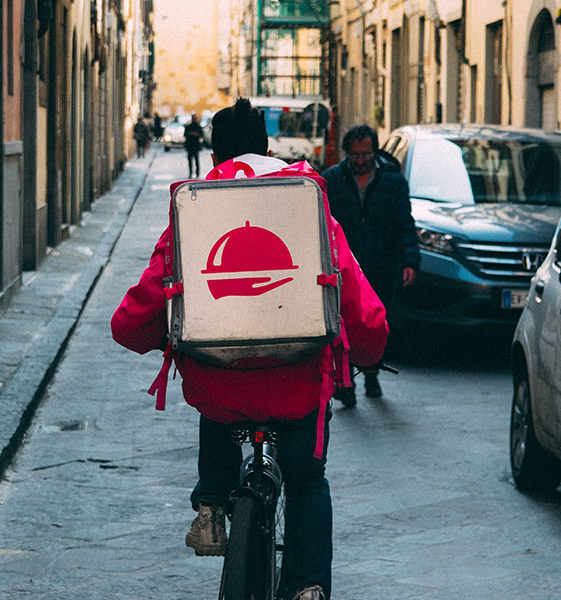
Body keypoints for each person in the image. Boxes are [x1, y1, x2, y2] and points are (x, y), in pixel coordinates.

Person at [111, 99, 388, 600]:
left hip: (220, 389)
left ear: (216, 151)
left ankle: (212, 509)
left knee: (213, 390)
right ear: (266, 146)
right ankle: (307, 587)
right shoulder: (306, 200)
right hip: (297, 385)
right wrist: (368, 350)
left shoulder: (196, 208)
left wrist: (145, 333)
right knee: (306, 480)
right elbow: (351, 290)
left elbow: (147, 301)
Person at [323, 124, 419, 403]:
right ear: (347, 153)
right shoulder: (332, 181)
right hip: (345, 269)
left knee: (376, 326)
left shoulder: (394, 181)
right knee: (345, 327)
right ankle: (347, 385)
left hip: (382, 266)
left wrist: (410, 261)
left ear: (374, 152)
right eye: (355, 155)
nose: (361, 160)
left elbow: (405, 224)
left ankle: (372, 374)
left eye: (366, 154)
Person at [184, 112, 204, 178]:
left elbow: (201, 135)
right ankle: (191, 172)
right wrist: (191, 134)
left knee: (196, 159)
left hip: (195, 145)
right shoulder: (189, 126)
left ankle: (197, 172)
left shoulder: (198, 126)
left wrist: (196, 134)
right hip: (190, 145)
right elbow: (185, 135)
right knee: (191, 160)